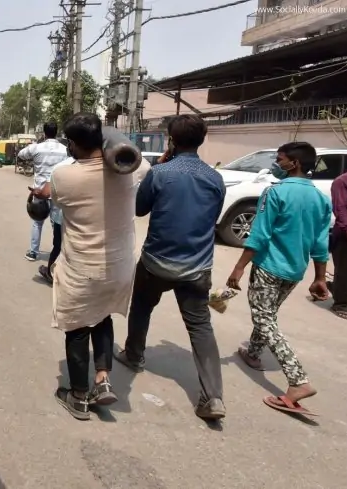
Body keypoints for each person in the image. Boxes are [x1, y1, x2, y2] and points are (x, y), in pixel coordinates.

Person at [115, 114, 227, 421]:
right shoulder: (215, 178)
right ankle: (213, 397)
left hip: (157, 262)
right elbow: (212, 217)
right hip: (197, 267)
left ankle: (134, 355)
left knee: (141, 308)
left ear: (171, 140)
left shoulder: (161, 173)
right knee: (201, 326)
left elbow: (139, 209)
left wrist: (161, 167)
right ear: (202, 141)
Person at [30, 113, 136, 420]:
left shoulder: (65, 176)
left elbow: (52, 197)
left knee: (77, 327)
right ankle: (102, 379)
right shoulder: (131, 169)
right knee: (101, 316)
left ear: (74, 144)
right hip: (118, 267)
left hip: (81, 269)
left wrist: (39, 192)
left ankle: (78, 396)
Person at [226, 142, 330, 414]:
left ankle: (298, 381)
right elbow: (321, 243)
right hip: (295, 270)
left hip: (269, 267)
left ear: (294, 163)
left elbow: (259, 234)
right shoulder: (321, 198)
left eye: (280, 159)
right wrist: (319, 277)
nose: (276, 164)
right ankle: (253, 353)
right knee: (268, 312)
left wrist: (238, 267)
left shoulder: (275, 192)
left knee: (263, 317)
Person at [18, 121, 68, 262]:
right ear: (56, 132)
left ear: (44, 133)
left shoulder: (36, 148)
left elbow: (21, 155)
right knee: (56, 223)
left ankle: (33, 252)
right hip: (56, 191)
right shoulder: (64, 150)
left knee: (37, 222)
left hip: (39, 191)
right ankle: (57, 253)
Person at [329, 168, 347, 320]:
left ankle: (335, 287)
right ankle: (341, 304)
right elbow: (341, 209)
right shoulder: (342, 182)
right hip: (345, 233)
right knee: (344, 269)